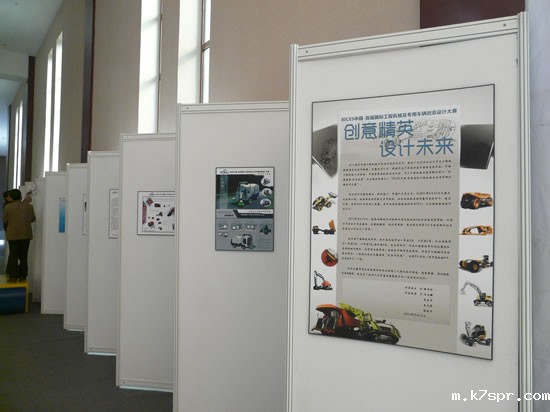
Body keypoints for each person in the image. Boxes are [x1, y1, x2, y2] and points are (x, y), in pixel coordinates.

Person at [3, 189, 36, 282]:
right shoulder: (29, 207)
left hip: (12, 235)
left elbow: (5, 220)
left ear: (11, 197)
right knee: (24, 257)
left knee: (13, 256)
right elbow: (33, 219)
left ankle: (13, 277)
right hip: (25, 235)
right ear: (20, 196)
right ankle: (22, 276)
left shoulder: (8, 207)